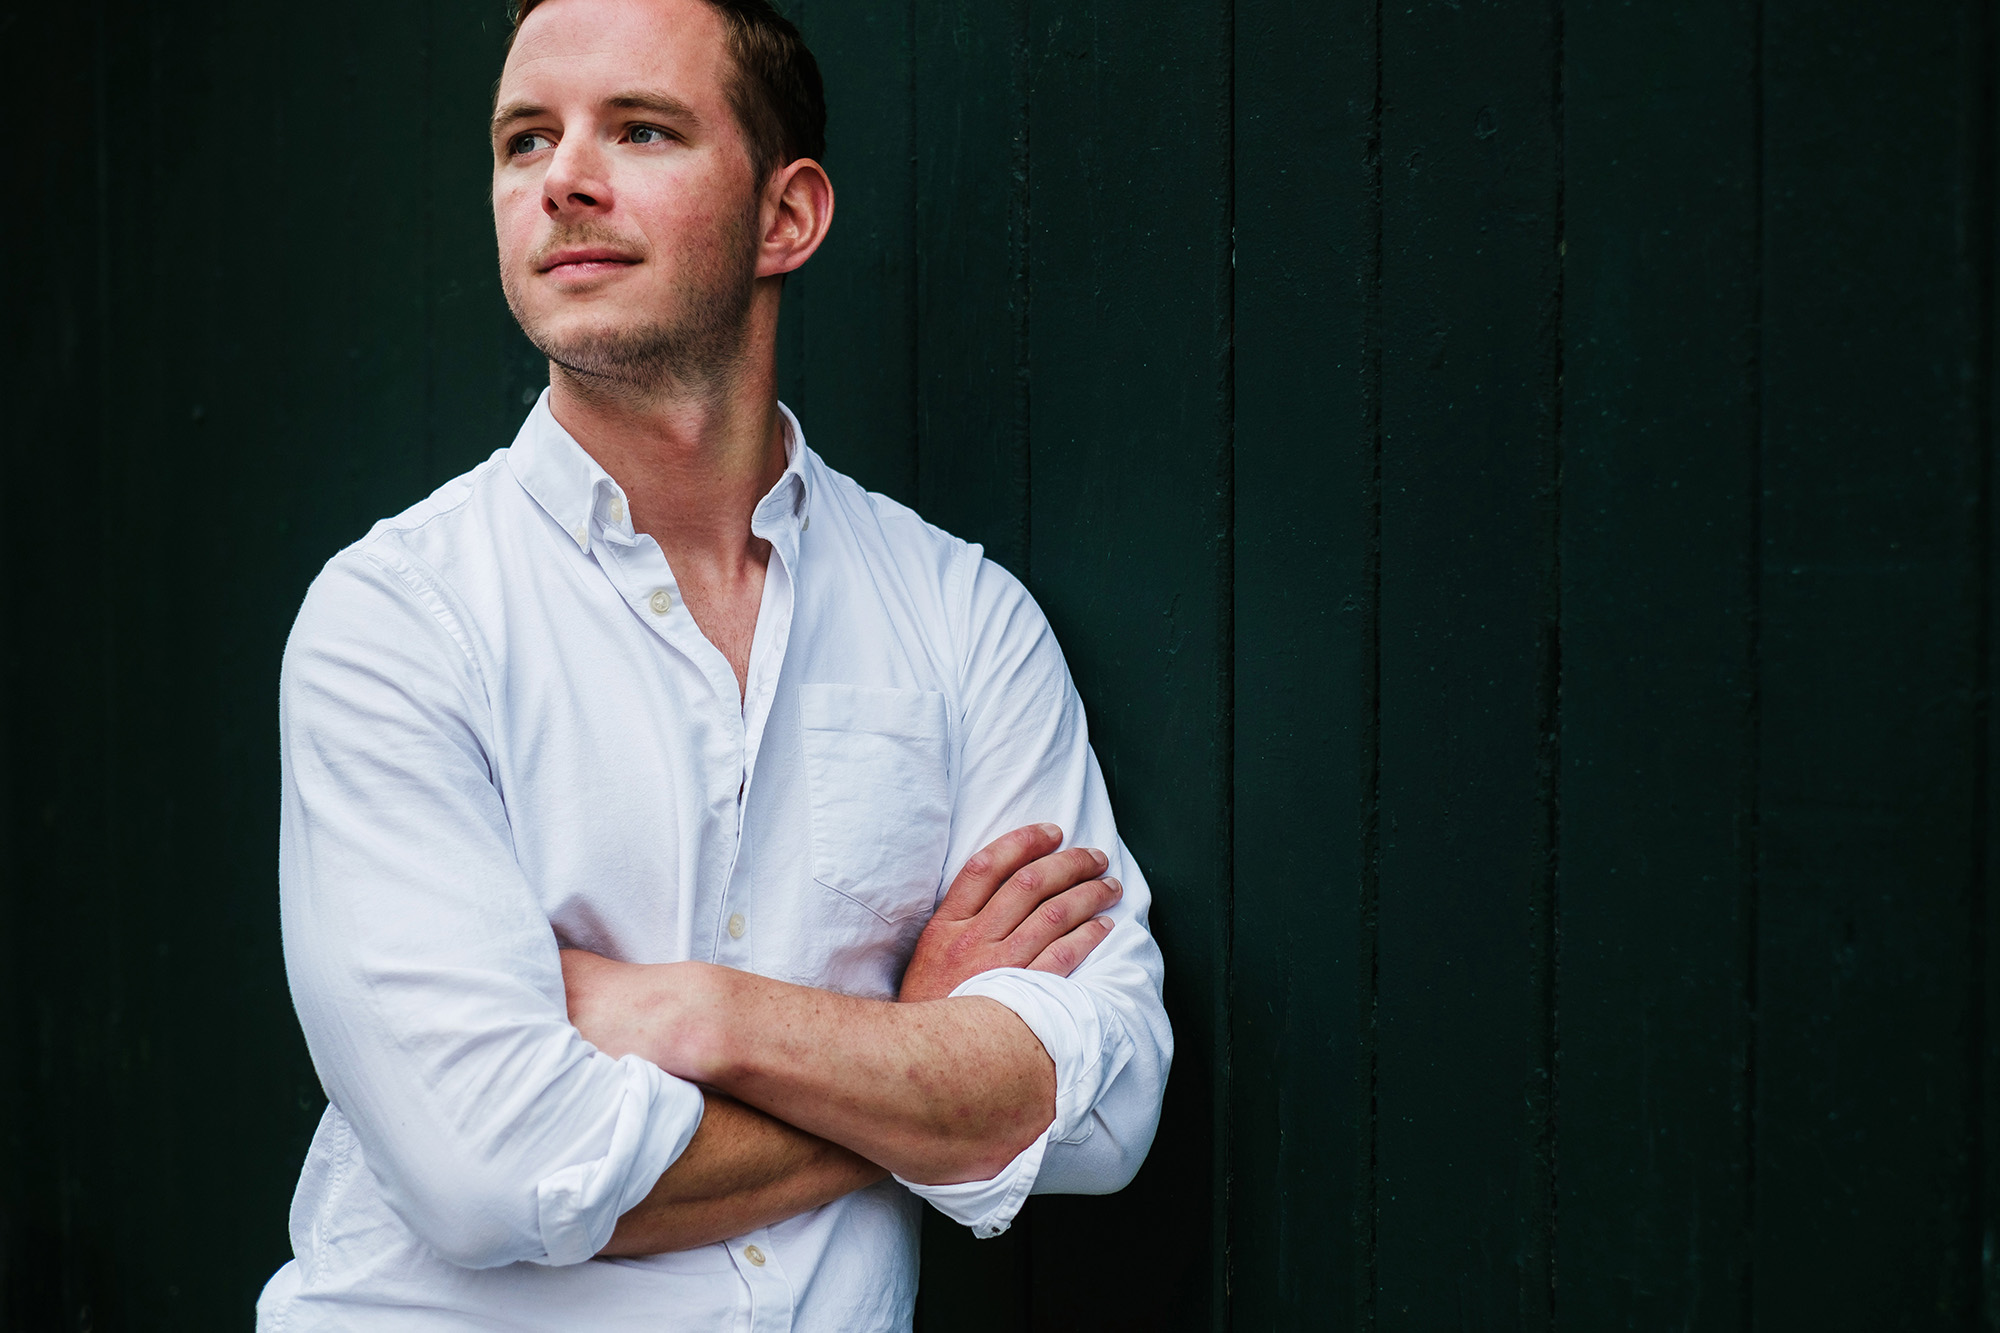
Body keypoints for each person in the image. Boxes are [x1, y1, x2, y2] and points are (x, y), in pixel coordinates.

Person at [256, 0, 1171, 1326]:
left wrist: (700, 1014)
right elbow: (494, 1166)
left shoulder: (959, 615)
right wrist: (915, 1060)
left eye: (641, 127)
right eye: (525, 140)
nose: (563, 176)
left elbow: (1111, 1095)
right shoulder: (397, 622)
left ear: (786, 217)